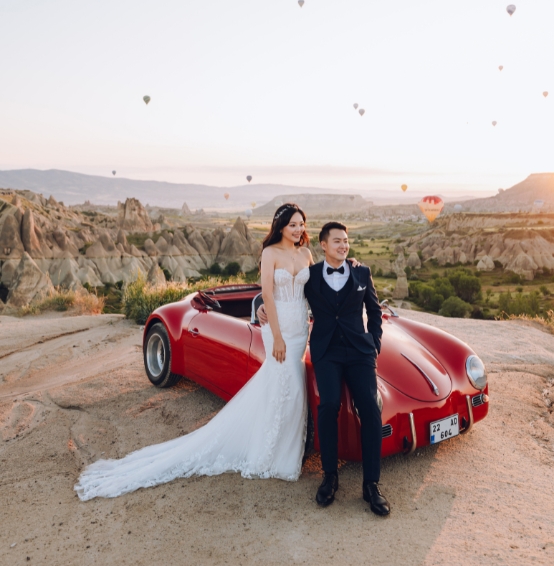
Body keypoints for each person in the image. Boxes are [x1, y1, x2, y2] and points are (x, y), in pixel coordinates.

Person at [75, 203, 315, 500]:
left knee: (294, 389)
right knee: (283, 384)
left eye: (301, 224)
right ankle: (270, 454)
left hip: (300, 327)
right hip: (278, 331)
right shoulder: (270, 253)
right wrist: (276, 334)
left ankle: (286, 451)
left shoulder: (305, 253)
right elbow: (266, 292)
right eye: (293, 224)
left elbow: (313, 290)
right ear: (280, 226)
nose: (298, 229)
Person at [259, 221, 388, 516]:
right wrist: (259, 306)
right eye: (337, 241)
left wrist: (375, 343)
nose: (343, 246)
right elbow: (278, 292)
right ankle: (330, 476)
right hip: (326, 351)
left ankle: (372, 485)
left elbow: (375, 310)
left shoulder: (361, 272)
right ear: (323, 246)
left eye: (346, 241)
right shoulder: (311, 275)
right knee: (328, 405)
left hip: (359, 351)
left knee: (370, 405)